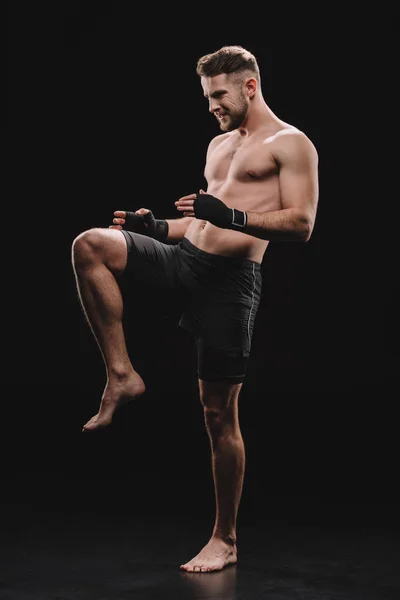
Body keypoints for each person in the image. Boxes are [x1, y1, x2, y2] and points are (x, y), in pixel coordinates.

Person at [71, 45, 319, 573]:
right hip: (185, 260)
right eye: (207, 97)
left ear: (250, 86)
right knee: (92, 243)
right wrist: (158, 228)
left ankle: (224, 538)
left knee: (217, 414)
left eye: (219, 95)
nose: (212, 106)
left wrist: (224, 213)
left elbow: (300, 223)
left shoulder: (291, 144)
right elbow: (201, 221)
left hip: (231, 284)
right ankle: (121, 375)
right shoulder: (219, 144)